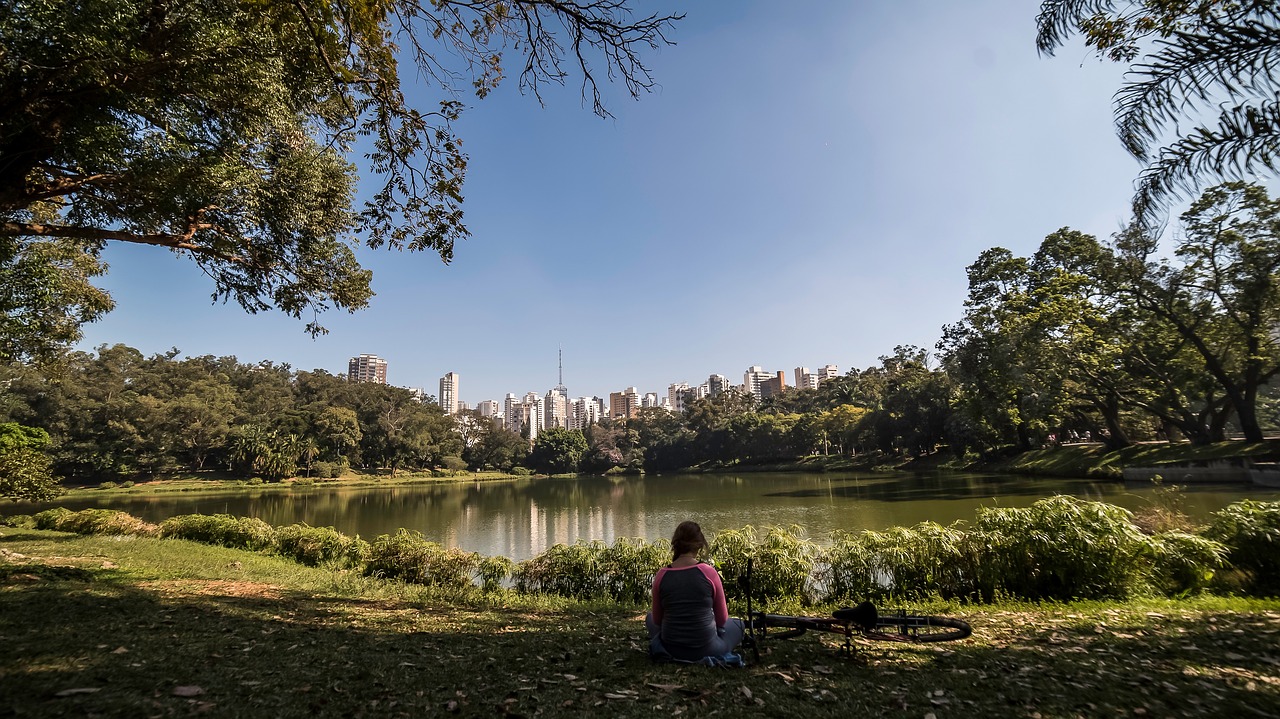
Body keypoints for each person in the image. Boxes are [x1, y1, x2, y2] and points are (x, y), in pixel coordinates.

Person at [645, 521, 745, 662]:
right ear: (700, 544)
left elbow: (656, 620)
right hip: (708, 649)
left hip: (671, 649)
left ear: (676, 545)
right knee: (738, 624)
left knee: (649, 617)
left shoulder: (662, 575)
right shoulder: (708, 572)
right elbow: (722, 620)